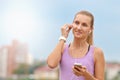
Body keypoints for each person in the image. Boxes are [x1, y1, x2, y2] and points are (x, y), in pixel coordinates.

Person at [47, 10, 105, 80]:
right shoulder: (62, 48)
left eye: (84, 25)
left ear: (90, 29)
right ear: (72, 24)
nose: (79, 27)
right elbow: (51, 64)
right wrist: (63, 37)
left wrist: (85, 74)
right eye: (76, 23)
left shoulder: (97, 52)